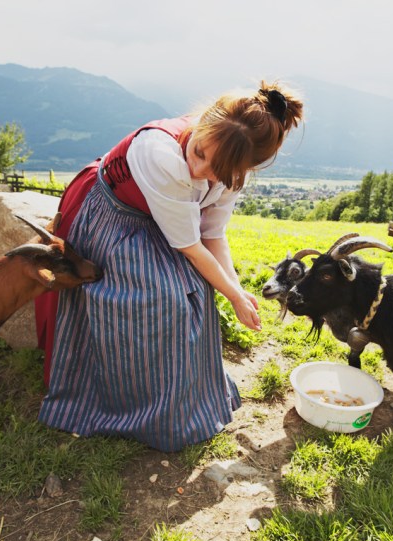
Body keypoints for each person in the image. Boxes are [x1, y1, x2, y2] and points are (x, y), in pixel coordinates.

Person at [35, 80, 304, 451]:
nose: (199, 168)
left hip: (159, 223)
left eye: (216, 169)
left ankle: (181, 400)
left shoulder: (230, 175)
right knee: (157, 300)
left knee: (193, 294)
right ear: (202, 122)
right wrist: (233, 297)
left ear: (243, 169)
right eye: (199, 152)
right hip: (111, 215)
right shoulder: (159, 153)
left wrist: (236, 289)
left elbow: (212, 235)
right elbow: (191, 248)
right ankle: (120, 400)